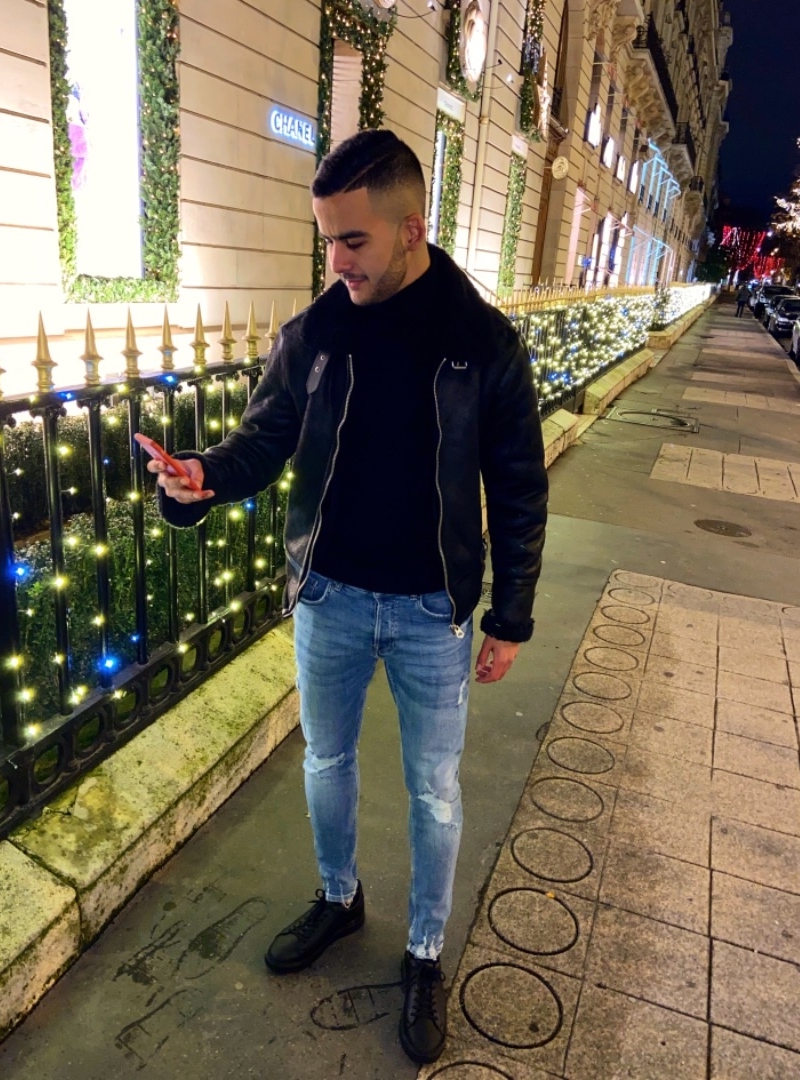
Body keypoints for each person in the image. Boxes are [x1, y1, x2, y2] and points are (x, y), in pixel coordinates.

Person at [149, 129, 548, 1065]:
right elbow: (265, 439)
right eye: (327, 239)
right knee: (326, 761)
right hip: (327, 593)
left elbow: (518, 488)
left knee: (433, 791)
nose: (336, 261)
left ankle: (424, 952)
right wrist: (204, 475)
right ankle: (339, 898)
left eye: (352, 240)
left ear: (412, 227)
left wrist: (510, 616)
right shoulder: (315, 335)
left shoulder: (482, 344)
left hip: (430, 611)